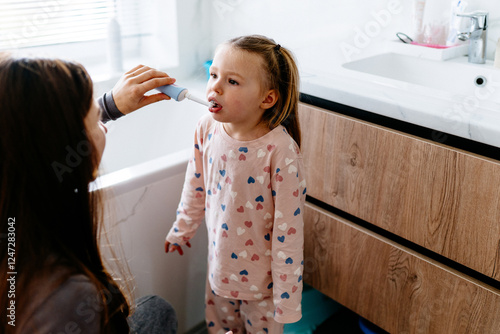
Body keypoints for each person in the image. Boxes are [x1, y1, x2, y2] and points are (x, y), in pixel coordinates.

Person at [0, 53, 177, 333]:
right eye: (96, 119)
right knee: (157, 309)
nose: (104, 124)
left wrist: (107, 106)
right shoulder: (65, 295)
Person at [165, 35, 306, 334]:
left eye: (232, 81)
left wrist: (287, 300)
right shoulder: (206, 127)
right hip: (220, 271)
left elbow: (288, 233)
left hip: (264, 287)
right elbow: (196, 184)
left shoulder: (280, 151)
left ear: (267, 98)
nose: (214, 87)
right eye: (213, 75)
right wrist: (183, 226)